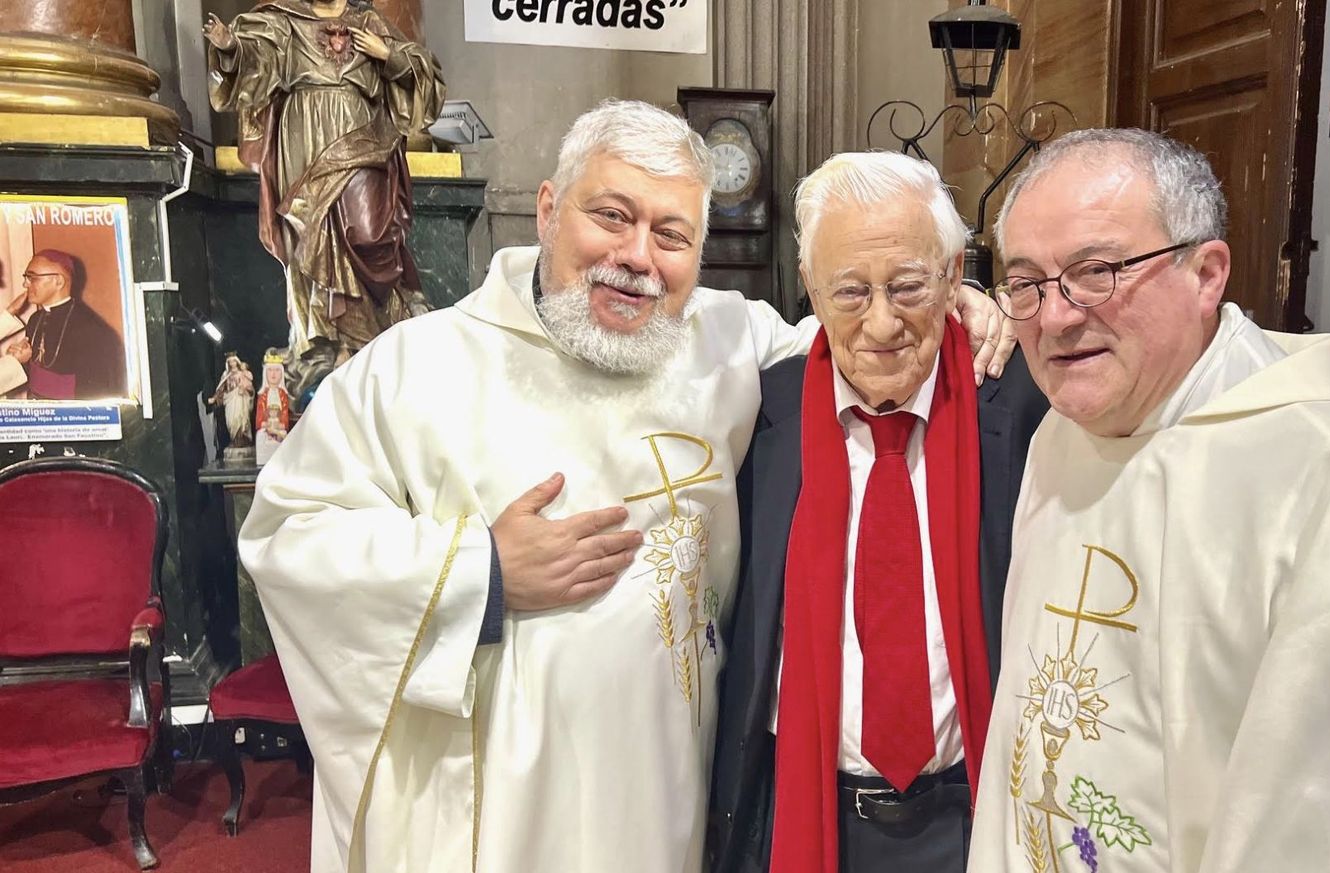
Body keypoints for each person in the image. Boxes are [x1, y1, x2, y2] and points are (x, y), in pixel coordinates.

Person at [237, 100, 1013, 873]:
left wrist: (960, 306)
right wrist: (484, 571)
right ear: (547, 210)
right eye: (611, 215)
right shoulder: (415, 369)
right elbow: (288, 535)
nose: (639, 256)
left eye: (671, 234)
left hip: (661, 794)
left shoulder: (728, 344)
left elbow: (864, 331)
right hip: (498, 810)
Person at [968, 128, 1330, 871]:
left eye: (1096, 271)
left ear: (1207, 273)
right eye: (1027, 282)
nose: (1057, 316)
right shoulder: (1061, 438)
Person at [708, 152, 1048, 873]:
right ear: (810, 290)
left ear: (955, 276)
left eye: (908, 286)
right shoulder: (758, 416)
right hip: (805, 813)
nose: (883, 322)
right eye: (852, 291)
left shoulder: (1023, 408)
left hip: (976, 817)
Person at [204, 0, 445, 392]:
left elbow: (426, 79)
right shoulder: (282, 22)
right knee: (308, 237)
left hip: (362, 137)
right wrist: (231, 47)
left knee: (369, 233)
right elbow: (254, 67)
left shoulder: (368, 20)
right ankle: (323, 344)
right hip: (302, 140)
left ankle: (377, 336)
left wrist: (389, 55)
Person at [0, 250, 126, 400]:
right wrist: (18, 360)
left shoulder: (91, 330)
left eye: (32, 278)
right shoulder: (35, 319)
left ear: (58, 281)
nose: (25, 284)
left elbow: (94, 395)